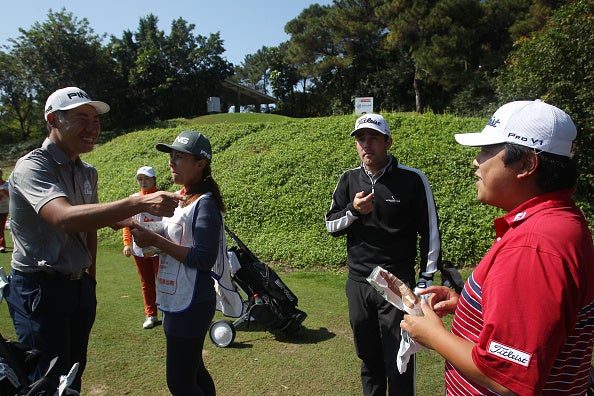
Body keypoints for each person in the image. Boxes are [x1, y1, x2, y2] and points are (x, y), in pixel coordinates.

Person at [401, 100, 594, 395]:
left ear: (527, 164)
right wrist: (473, 305)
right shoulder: (553, 223)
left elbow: (507, 379)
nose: (476, 162)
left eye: (487, 150)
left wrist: (433, 335)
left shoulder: (535, 245)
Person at [5, 86, 182, 391]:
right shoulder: (32, 167)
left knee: (72, 378)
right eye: (81, 118)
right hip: (40, 289)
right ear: (53, 120)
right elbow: (64, 218)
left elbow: (90, 224)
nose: (92, 127)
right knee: (44, 382)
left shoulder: (87, 172)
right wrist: (136, 203)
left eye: (96, 120)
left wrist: (90, 278)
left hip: (79, 288)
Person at [325, 113, 442, 395]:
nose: (366, 145)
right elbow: (331, 225)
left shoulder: (413, 179)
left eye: (373, 138)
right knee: (368, 357)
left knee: (400, 359)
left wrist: (425, 279)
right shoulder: (348, 180)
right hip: (358, 282)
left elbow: (430, 230)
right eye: (361, 139)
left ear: (388, 142)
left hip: (397, 282)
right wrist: (353, 211)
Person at [130, 130, 225, 395]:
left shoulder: (205, 203)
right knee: (195, 374)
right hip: (176, 299)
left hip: (192, 302)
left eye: (180, 157)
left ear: (200, 163)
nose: (172, 162)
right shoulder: (179, 197)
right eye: (172, 156)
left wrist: (156, 241)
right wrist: (133, 226)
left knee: (180, 383)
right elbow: (160, 233)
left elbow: (203, 259)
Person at [122, 166, 162, 329]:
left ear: (154, 179)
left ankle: (168, 312)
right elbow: (127, 223)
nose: (143, 182)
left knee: (164, 282)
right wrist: (127, 243)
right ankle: (151, 314)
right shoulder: (133, 198)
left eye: (146, 178)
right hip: (139, 250)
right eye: (140, 179)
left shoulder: (161, 197)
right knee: (147, 283)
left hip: (160, 248)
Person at [0, 167, 8, 253]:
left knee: (1, 227)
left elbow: (11, 196)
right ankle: (1, 245)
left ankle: (2, 245)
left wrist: (4, 191)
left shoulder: (6, 184)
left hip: (4, 209)